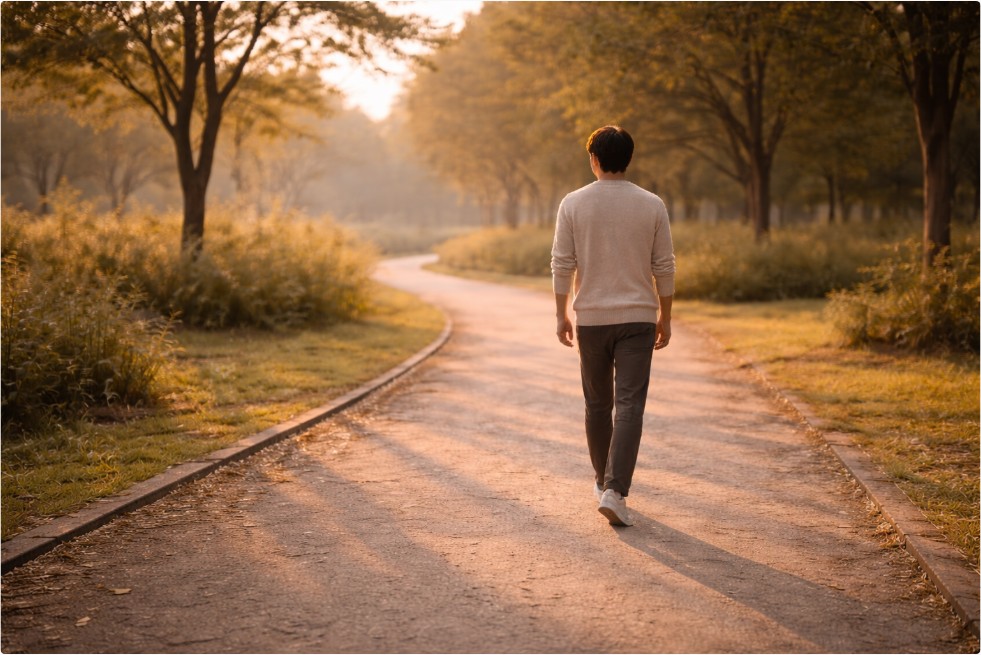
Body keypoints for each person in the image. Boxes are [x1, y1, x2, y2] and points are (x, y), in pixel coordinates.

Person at [550, 125, 675, 527]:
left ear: (594, 159)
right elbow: (664, 266)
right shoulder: (652, 204)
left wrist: (560, 313)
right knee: (629, 406)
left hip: (592, 320)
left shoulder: (573, 203)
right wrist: (666, 317)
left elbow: (561, 264)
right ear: (629, 158)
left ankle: (605, 483)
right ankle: (614, 489)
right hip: (639, 318)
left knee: (598, 405)